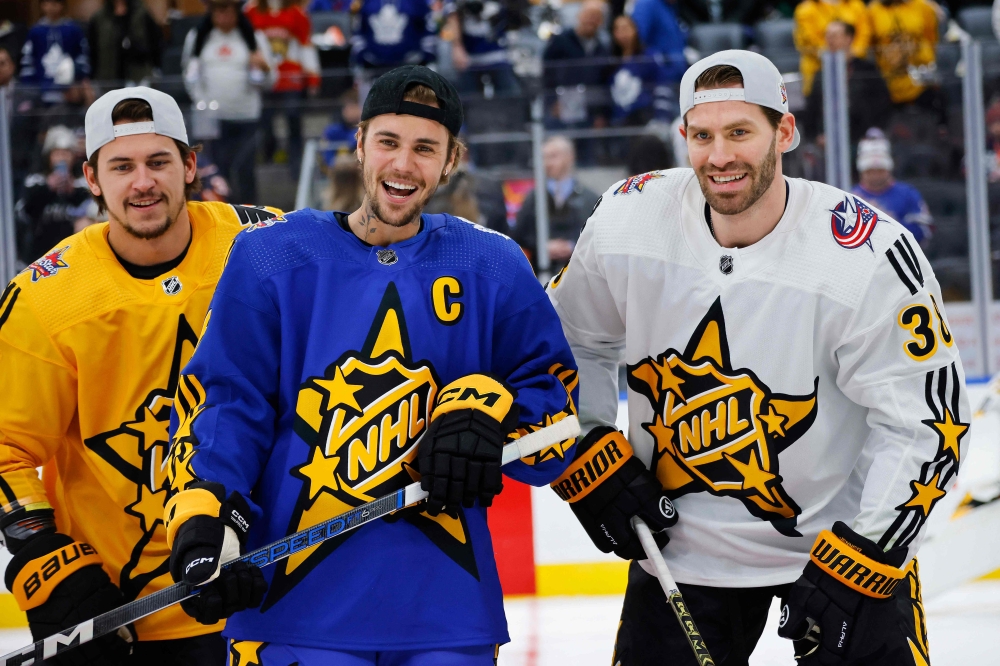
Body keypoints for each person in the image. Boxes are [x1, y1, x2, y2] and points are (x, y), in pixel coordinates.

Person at [547, 50, 966, 665]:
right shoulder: (628, 219)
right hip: (677, 553)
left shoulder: (864, 251)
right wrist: (584, 447)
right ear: (683, 136)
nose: (720, 157)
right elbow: (569, 339)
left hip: (839, 549)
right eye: (703, 136)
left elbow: (926, 419)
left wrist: (870, 553)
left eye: (740, 132)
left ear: (785, 132)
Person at [162, 64, 582, 665]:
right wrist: (207, 521)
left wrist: (488, 410)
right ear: (359, 145)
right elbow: (229, 407)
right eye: (388, 142)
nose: (403, 165)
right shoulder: (270, 258)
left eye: (425, 148)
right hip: (292, 614)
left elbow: (558, 415)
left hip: (446, 616)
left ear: (451, 159)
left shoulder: (492, 264)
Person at [0, 86, 283, 665]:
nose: (143, 183)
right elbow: (4, 449)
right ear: (92, 178)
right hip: (128, 619)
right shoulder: (45, 298)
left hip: (273, 597)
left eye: (158, 162)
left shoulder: (271, 246)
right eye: (122, 166)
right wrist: (44, 562)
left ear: (190, 166)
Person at [183, 0, 275, 205]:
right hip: (211, 120)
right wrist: (201, 102)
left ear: (237, 10)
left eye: (228, 8)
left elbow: (271, 81)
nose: (223, 14)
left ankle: (251, 216)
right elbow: (189, 76)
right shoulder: (197, 37)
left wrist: (264, 67)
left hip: (246, 117)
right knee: (215, 173)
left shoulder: (255, 38)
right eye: (218, 9)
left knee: (245, 170)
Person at [244, 0, 320, 175]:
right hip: (263, 78)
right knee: (264, 124)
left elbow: (305, 45)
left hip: (291, 77)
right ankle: (268, 162)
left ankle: (297, 166)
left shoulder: (297, 13)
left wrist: (313, 76)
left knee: (293, 121)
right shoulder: (250, 11)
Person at [511, 136, 600, 272]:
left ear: (570, 157)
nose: (547, 163)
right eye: (544, 157)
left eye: (553, 156)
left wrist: (572, 245)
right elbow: (519, 234)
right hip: (541, 273)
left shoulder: (590, 198)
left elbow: (597, 235)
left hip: (580, 273)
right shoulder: (533, 198)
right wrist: (541, 246)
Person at [14, 124, 99, 264]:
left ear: (73, 156)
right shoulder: (35, 180)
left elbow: (95, 210)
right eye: (57, 153)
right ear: (48, 156)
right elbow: (24, 212)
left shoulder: (82, 182)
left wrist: (73, 192)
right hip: (40, 249)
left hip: (74, 249)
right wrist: (48, 188)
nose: (62, 158)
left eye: (66, 153)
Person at [800, 20, 892, 143]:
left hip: (863, 137)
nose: (830, 40)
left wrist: (873, 131)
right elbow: (812, 108)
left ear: (848, 38)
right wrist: (817, 136)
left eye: (835, 35)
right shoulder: (821, 73)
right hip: (828, 139)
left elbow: (882, 102)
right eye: (827, 35)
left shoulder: (866, 69)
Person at [852, 128, 933, 245]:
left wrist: (888, 223)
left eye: (880, 170)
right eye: (870, 171)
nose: (875, 175)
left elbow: (925, 230)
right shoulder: (851, 198)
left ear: (888, 169)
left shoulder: (907, 193)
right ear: (861, 172)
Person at [543, 0, 612, 128]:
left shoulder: (603, 49)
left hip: (589, 112)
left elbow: (604, 83)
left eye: (596, 17)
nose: (591, 20)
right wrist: (552, 101)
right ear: (579, 16)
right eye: (589, 15)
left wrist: (601, 114)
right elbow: (547, 74)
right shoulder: (560, 41)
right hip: (562, 107)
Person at [350, 0, 436, 101]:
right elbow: (358, 33)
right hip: (373, 69)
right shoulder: (365, 3)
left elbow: (428, 32)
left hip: (411, 68)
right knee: (374, 109)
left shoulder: (418, 3)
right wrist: (361, 59)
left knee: (412, 108)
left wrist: (428, 59)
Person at [444, 0, 526, 97]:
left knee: (512, 95)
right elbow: (452, 13)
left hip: (498, 54)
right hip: (470, 56)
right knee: (467, 100)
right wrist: (457, 46)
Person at [868, 0, 939, 108]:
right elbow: (868, 47)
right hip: (886, 83)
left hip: (920, 82)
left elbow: (931, 42)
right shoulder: (873, 10)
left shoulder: (923, 7)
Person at [20, 0, 91, 105]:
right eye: (47, 3)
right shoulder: (35, 31)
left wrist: (78, 75)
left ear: (62, 5)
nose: (50, 7)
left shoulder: (73, 30)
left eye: (55, 3)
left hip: (70, 92)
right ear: (42, 6)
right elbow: (27, 61)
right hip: (41, 91)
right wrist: (30, 88)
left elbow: (83, 57)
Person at [793, 0, 871, 96]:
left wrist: (851, 55)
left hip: (854, 73)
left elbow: (864, 36)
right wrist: (832, 55)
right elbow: (806, 42)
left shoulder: (856, 5)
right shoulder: (806, 9)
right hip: (818, 72)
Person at [88, 0, 163, 84]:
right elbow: (92, 51)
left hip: (139, 78)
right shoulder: (98, 18)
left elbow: (155, 45)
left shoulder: (142, 14)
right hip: (107, 80)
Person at [628, 0, 687, 84]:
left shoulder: (670, 7)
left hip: (677, 76)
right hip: (657, 79)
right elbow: (637, 40)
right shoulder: (646, 4)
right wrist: (657, 60)